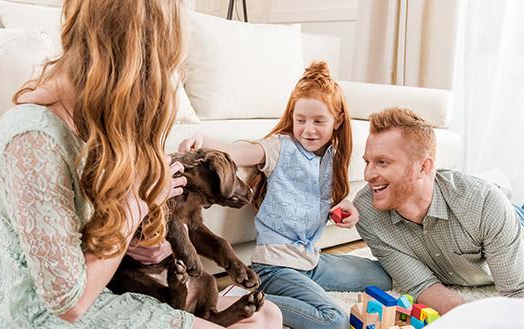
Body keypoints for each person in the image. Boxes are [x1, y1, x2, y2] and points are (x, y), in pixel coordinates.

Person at [0, 0, 282, 328]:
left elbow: (92, 227)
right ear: (134, 57)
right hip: (50, 313)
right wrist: (136, 208)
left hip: (101, 284)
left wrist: (139, 243)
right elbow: (68, 302)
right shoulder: (34, 139)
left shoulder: (101, 116)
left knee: (268, 315)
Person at [178, 61, 392, 329]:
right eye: (300, 120)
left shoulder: (332, 156)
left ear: (337, 120)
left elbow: (314, 201)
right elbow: (237, 151)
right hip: (276, 267)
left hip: (311, 261)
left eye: (318, 121)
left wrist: (345, 207)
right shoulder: (281, 148)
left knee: (381, 276)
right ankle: (246, 296)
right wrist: (202, 140)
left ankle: (302, 287)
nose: (308, 129)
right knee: (333, 320)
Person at [354, 107, 524, 315]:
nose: (367, 174)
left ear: (423, 167)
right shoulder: (366, 211)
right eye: (367, 162)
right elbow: (420, 284)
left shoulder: (484, 204)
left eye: (382, 162)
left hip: (512, 220)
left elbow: (517, 295)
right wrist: (468, 319)